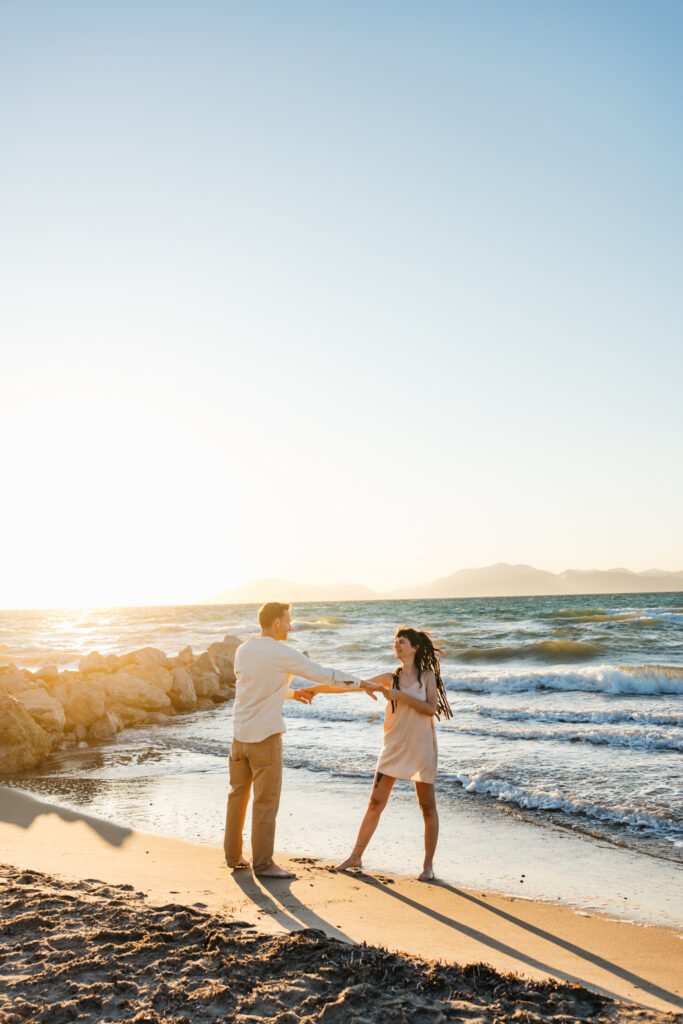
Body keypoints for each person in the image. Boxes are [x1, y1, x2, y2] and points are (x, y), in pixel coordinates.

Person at [224, 601, 373, 878]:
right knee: (265, 803)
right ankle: (264, 865)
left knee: (237, 797)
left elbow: (256, 688)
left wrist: (293, 694)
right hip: (264, 738)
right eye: (288, 620)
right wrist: (363, 683)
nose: (290, 626)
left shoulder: (243, 650)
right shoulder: (282, 652)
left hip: (239, 737)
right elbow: (323, 674)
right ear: (277, 622)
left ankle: (233, 856)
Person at [331, 626, 452, 881]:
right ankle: (356, 855)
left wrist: (400, 696)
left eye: (402, 642)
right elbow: (358, 684)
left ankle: (428, 866)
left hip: (420, 747)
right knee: (375, 802)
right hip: (393, 746)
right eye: (395, 642)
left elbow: (431, 709)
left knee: (427, 807)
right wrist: (319, 689)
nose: (397, 645)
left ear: (415, 647)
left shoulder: (427, 676)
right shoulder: (389, 677)